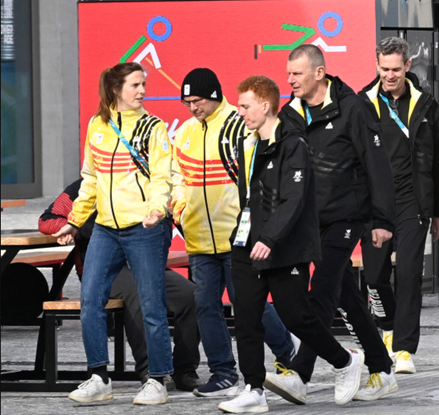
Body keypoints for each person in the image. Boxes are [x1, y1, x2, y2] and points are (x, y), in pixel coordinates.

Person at [217, 76, 365, 413]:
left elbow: (293, 199)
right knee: (246, 318)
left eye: (245, 106)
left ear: (265, 105)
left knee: (297, 317)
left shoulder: (294, 143)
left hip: (285, 247)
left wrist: (270, 238)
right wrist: (249, 236)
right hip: (247, 243)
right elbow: (250, 197)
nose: (240, 112)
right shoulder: (246, 143)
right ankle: (254, 389)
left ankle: (345, 361)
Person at [271, 45, 397, 402]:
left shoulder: (353, 107)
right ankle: (383, 368)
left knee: (322, 290)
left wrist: (382, 219)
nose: (290, 79)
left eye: (296, 73)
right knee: (347, 296)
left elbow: (377, 164)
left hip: (346, 216)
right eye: (288, 73)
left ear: (319, 73)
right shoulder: (289, 114)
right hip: (308, 222)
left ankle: (300, 374)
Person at [169, 68, 297, 397]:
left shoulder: (239, 125)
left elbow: (260, 176)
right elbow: (176, 178)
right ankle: (223, 372)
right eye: (187, 102)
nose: (192, 107)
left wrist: (255, 222)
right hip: (198, 238)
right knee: (205, 306)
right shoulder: (184, 133)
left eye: (197, 100)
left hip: (237, 236)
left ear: (214, 96)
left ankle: (287, 351)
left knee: (248, 303)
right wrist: (180, 210)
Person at [53, 62, 174, 405]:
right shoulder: (97, 125)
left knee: (151, 305)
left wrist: (157, 209)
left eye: (144, 84)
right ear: (116, 89)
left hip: (144, 229)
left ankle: (157, 380)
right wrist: (75, 221)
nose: (142, 90)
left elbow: (162, 177)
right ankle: (99, 377)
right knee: (90, 299)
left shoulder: (154, 127)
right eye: (135, 85)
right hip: (106, 229)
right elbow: (90, 180)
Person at [40, 180, 202, 392]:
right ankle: (150, 370)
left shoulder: (151, 183)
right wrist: (74, 228)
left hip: (146, 262)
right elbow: (46, 220)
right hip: (105, 269)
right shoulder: (84, 186)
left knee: (191, 295)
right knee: (139, 292)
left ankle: (184, 369)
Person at [359, 37, 439, 375]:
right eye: (384, 68)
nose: (390, 75)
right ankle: (388, 326)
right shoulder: (362, 103)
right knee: (374, 276)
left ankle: (404, 349)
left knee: (410, 274)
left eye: (396, 69)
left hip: (414, 200)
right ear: (377, 65)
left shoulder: (426, 104)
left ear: (408, 66)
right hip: (374, 205)